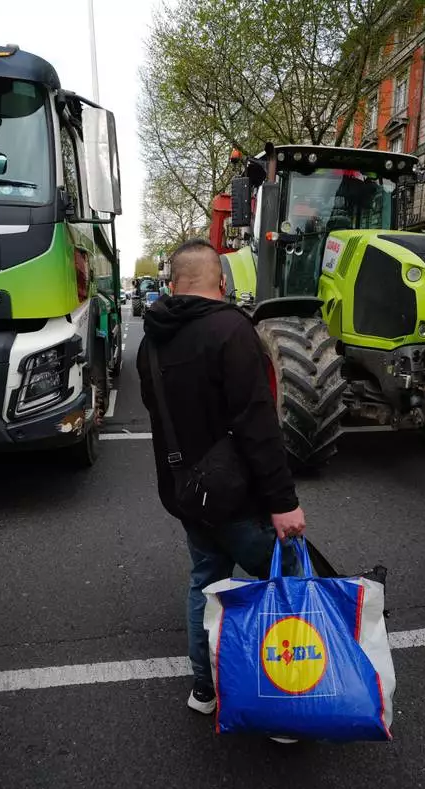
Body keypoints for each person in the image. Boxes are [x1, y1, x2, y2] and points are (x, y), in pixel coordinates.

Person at [137, 239, 307, 716]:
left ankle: (204, 690)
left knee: (206, 582)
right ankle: (286, 697)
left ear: (173, 283)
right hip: (237, 496)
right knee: (287, 583)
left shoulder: (151, 341)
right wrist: (283, 502)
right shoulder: (232, 330)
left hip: (187, 492)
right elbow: (258, 424)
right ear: (222, 280)